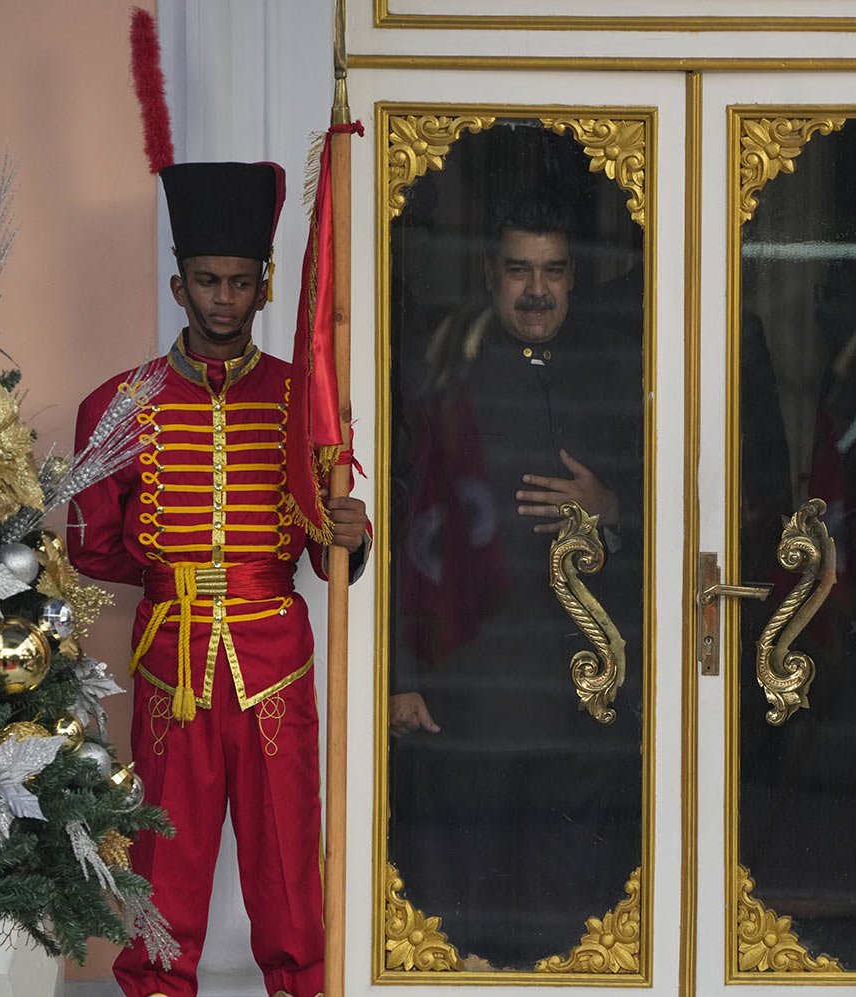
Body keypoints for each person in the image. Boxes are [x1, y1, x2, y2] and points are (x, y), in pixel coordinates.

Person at [69, 160, 370, 997]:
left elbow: (327, 545)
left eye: (241, 282)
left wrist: (356, 532)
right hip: (172, 666)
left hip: (277, 662)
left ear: (264, 285)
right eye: (208, 280)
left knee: (287, 870)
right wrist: (174, 578)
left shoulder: (302, 398)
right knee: (162, 862)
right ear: (179, 280)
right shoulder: (119, 403)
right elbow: (91, 546)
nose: (224, 298)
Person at [386, 188, 644, 967]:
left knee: (568, 908)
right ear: (490, 276)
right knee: (467, 908)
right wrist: (397, 674)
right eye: (519, 271)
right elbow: (403, 532)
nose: (537, 290)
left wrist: (610, 507)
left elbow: (686, 520)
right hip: (470, 687)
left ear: (573, 279)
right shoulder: (440, 376)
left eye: (554, 272)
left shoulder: (615, 376)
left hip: (582, 689)